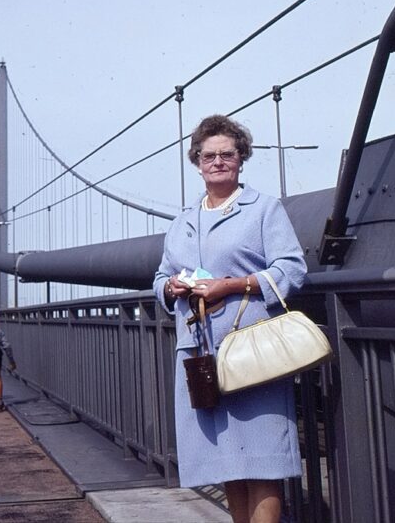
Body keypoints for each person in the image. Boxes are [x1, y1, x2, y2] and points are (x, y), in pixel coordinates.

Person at [153, 114, 307, 523]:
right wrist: (170, 288)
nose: (218, 161)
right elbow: (160, 276)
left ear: (241, 158)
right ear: (196, 161)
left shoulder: (264, 210)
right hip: (200, 358)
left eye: (227, 153)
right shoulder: (182, 221)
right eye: (209, 155)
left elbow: (291, 270)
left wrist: (233, 285)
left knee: (262, 462)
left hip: (253, 351)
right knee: (226, 464)